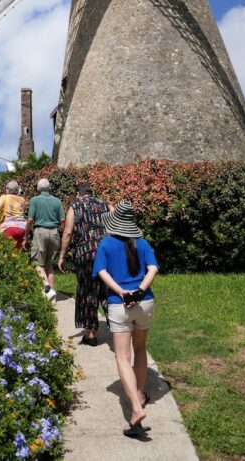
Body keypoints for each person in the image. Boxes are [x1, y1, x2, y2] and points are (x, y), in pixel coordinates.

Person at [92, 199, 158, 438]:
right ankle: (140, 393)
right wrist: (139, 290)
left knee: (122, 356)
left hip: (120, 304)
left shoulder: (107, 244)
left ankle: (136, 408)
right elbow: (153, 269)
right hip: (145, 303)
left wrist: (121, 292)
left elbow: (101, 271)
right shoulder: (143, 243)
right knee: (140, 349)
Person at [58, 183, 110, 346]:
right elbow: (117, 227)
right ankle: (119, 326)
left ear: (79, 194)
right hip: (106, 253)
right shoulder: (106, 205)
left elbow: (67, 233)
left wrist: (62, 256)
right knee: (107, 289)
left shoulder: (75, 206)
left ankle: (91, 334)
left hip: (86, 255)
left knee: (88, 291)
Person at [24, 178, 65, 302]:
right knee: (49, 264)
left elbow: (30, 219)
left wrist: (26, 235)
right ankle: (52, 297)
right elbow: (62, 220)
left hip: (40, 231)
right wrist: (62, 235)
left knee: (37, 263)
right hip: (54, 232)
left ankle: (47, 287)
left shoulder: (35, 200)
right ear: (49, 188)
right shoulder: (57, 201)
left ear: (38, 188)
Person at [0, 180, 27, 249]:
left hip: (9, 228)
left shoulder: (5, 197)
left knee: (3, 251)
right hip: (22, 229)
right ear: (17, 190)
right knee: (16, 253)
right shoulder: (23, 200)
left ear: (7, 189)